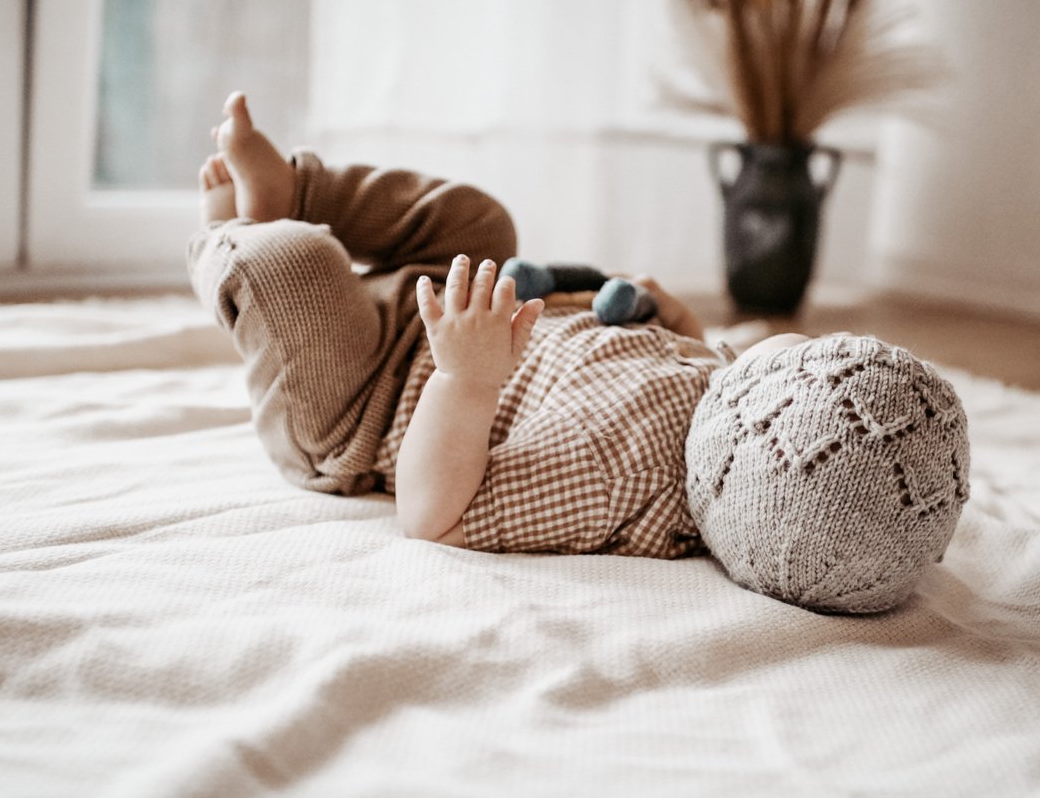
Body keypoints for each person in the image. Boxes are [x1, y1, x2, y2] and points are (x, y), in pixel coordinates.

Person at [190, 92, 971, 614]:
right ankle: (294, 192)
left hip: (359, 401)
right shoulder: (737, 403)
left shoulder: (610, 478)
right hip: (455, 313)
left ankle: (239, 229)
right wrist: (676, 321)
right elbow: (705, 358)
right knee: (480, 223)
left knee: (294, 266)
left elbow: (431, 515)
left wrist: (465, 380)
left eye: (798, 359)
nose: (781, 346)